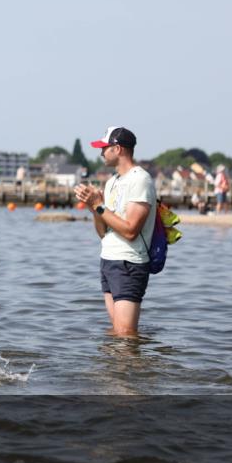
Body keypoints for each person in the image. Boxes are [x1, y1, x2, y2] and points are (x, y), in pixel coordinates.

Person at [74, 126, 156, 337]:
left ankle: (135, 369)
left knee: (126, 335)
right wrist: (93, 207)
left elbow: (130, 231)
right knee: (115, 333)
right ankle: (118, 371)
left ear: (117, 149)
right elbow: (103, 232)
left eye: (105, 148)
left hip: (129, 262)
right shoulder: (112, 182)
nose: (101, 153)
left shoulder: (140, 179)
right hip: (108, 260)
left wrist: (100, 206)